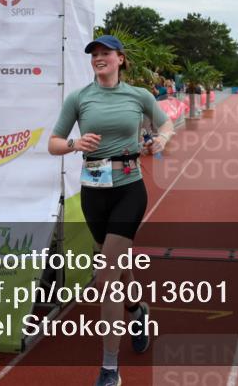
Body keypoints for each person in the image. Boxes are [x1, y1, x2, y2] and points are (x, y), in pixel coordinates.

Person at [48, 35, 174, 386]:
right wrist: (75, 144)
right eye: (94, 55)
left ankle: (109, 369)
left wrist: (161, 140)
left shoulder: (139, 96)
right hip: (94, 191)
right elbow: (53, 143)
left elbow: (165, 123)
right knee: (118, 271)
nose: (99, 58)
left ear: (120, 59)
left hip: (129, 189)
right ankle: (138, 312)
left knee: (106, 277)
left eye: (105, 54)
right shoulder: (79, 97)